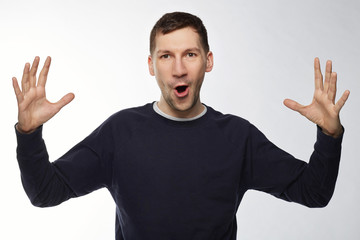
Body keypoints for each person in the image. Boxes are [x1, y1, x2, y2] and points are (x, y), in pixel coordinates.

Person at [12, 12, 350, 240]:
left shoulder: (237, 137)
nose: (178, 69)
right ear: (151, 65)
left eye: (189, 54)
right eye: (165, 56)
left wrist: (329, 136)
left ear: (208, 60)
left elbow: (314, 193)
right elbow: (45, 193)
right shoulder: (120, 132)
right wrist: (29, 136)